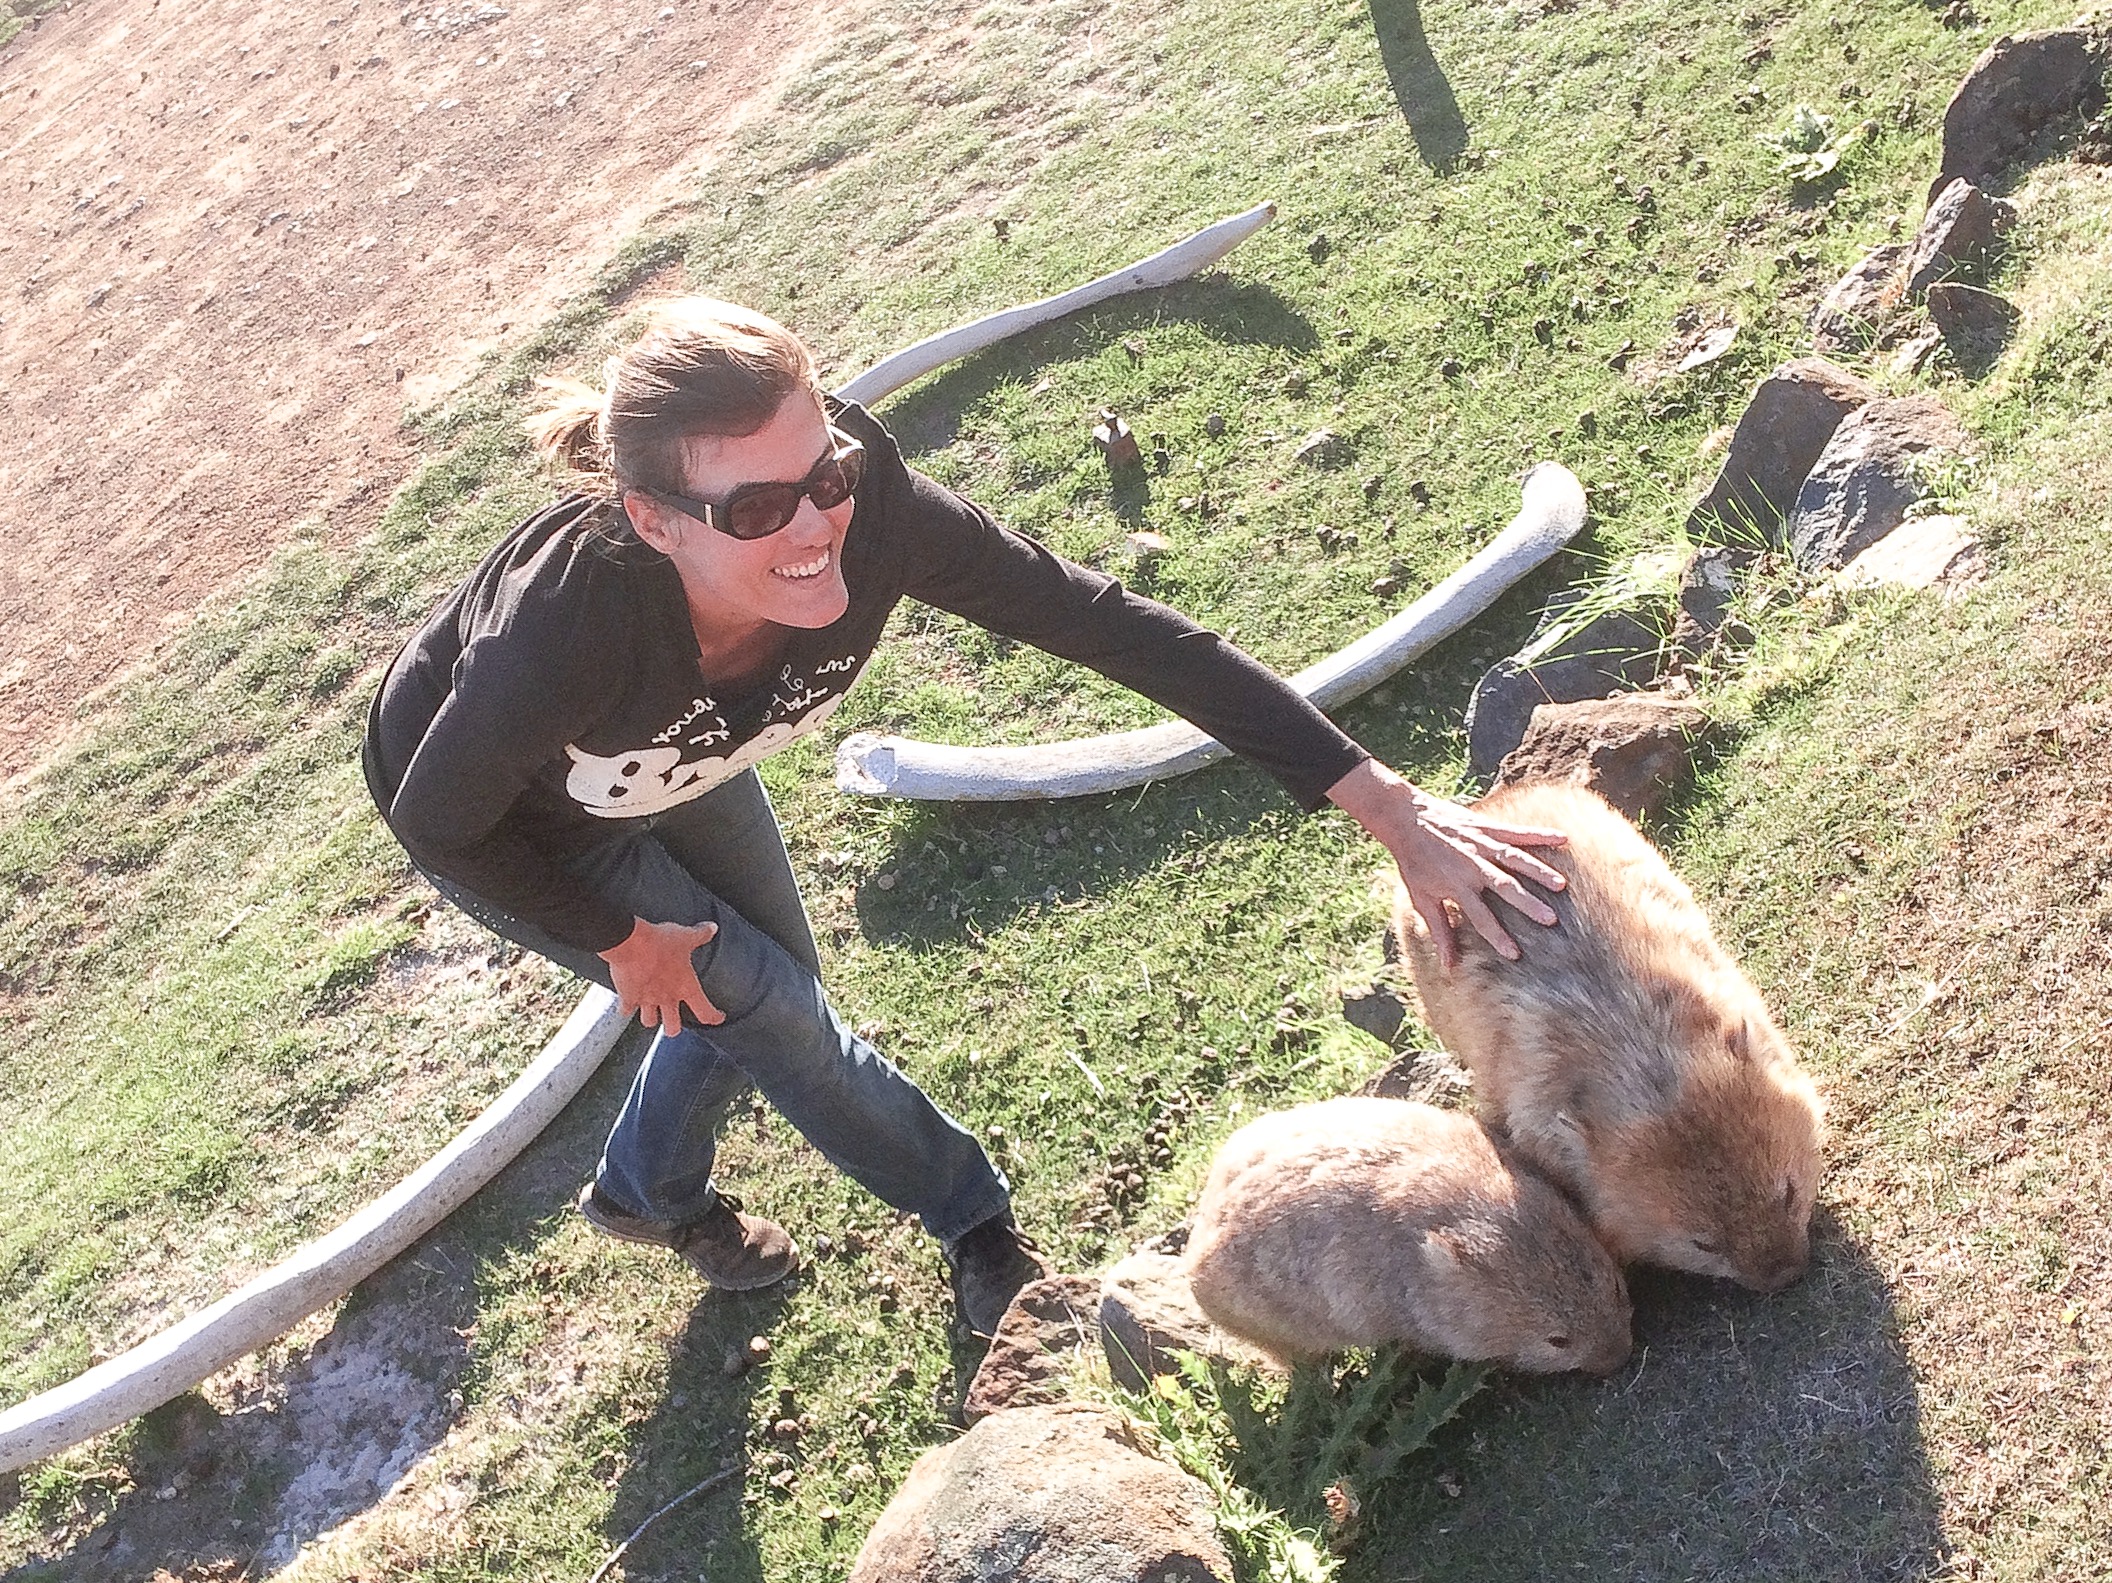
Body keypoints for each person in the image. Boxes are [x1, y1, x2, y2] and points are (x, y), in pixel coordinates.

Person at [362, 298, 1568, 1337]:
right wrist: (621, 938)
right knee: (765, 1003)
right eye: (755, 510)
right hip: (522, 812)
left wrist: (1388, 805)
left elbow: (1107, 624)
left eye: (823, 471)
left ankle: (644, 1187)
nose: (814, 524)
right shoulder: (567, 626)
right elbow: (440, 819)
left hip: (680, 754)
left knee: (767, 983)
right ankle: (973, 1216)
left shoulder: (872, 510)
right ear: (655, 520)